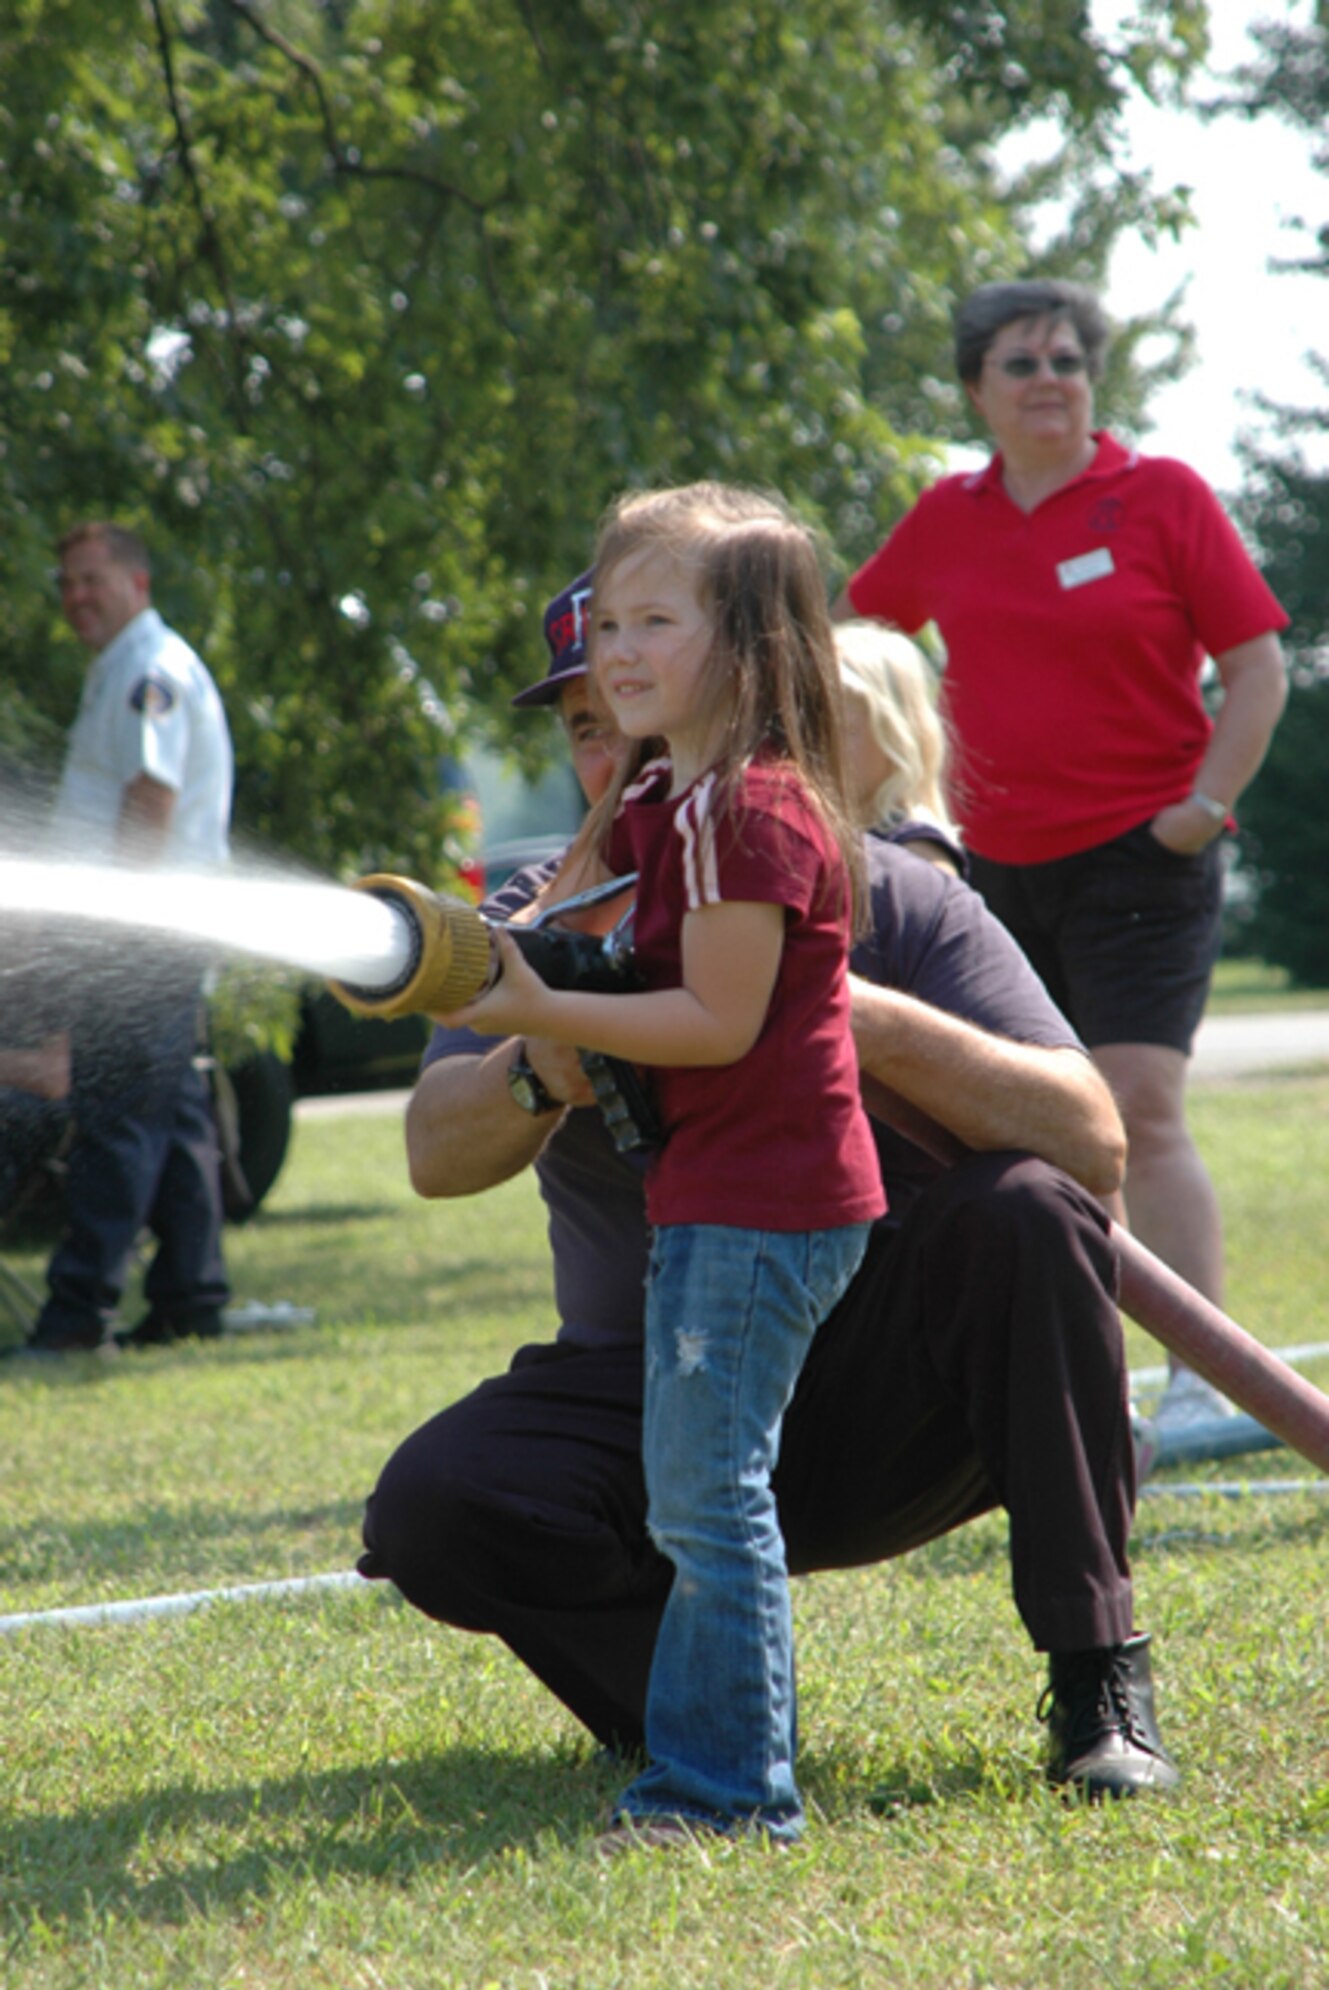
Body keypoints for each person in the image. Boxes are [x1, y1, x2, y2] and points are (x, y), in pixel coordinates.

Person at [359, 560, 1182, 1822]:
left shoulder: (883, 887)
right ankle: (700, 1709)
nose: (623, 749)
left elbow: (1094, 1143)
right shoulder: (527, 927)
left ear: (739, 703)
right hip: (651, 1375)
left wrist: (851, 1011)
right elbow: (432, 1154)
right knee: (439, 1500)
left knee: (1029, 1209)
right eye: (588, 725)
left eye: (647, 709)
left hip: (883, 1382)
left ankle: (1097, 1681)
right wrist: (548, 1061)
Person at [432, 485, 885, 1846]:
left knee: (704, 1494)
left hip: (764, 1207)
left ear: (746, 645)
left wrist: (532, 1008)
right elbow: (634, 959)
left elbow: (716, 1022)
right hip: (715, 1200)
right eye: (608, 620)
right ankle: (714, 1776)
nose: (616, 650)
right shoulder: (667, 803)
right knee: (700, 1487)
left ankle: (729, 1791)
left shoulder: (747, 811)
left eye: (654, 622)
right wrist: (521, 965)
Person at [833, 278, 1289, 1433]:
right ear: (978, 390)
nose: (1051, 380)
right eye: (1023, 363)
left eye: (1069, 361)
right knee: (1044, 1117)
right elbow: (853, 643)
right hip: (991, 872)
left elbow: (1258, 668)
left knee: (1137, 1105)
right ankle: (1102, 1384)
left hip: (1147, 854)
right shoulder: (947, 516)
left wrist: (1201, 804)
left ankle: (1203, 1385)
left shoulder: (1162, 496)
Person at [5, 522, 234, 1359]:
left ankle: (74, 1319)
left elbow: (150, 799)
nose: (75, 597)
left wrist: (113, 927)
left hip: (140, 934)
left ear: (136, 583)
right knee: (168, 1120)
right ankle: (190, 1298)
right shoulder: (122, 668)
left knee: (114, 1124)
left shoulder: (151, 670)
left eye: (92, 580)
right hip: (150, 932)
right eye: (66, 582)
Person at [835, 619, 962, 874]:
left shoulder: (920, 856)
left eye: (845, 731)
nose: (821, 747)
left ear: (896, 738)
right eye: (810, 729)